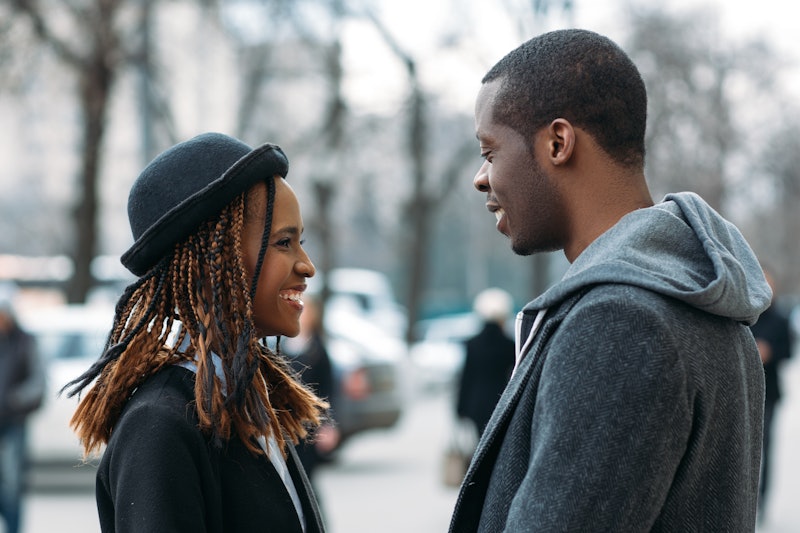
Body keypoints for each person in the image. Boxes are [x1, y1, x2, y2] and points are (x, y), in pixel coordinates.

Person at [448, 29, 772, 532]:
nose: (481, 178)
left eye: (490, 152)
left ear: (558, 142)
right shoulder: (701, 298)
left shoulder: (620, 322)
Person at [64, 132, 329, 532]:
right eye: (284, 242)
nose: (306, 265)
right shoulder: (160, 426)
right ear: (212, 263)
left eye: (300, 242)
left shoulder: (245, 400)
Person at [750, 267, 793, 520]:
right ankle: (748, 497)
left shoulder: (780, 318)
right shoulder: (746, 313)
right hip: (745, 393)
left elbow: (788, 352)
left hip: (771, 391)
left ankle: (762, 502)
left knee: (766, 448)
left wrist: (770, 352)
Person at [0, 298, 45, 533]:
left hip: (13, 423)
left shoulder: (25, 341)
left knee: (12, 485)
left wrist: (14, 401)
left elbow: (39, 383)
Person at [285, 295, 340, 483]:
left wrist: (328, 425)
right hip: (285, 423)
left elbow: (327, 390)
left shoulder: (318, 349)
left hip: (308, 424)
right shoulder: (282, 342)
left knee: (306, 479)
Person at [456, 288, 515, 437]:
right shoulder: (509, 345)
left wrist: (460, 409)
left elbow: (466, 377)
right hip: (501, 402)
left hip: (476, 404)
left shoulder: (472, 344)